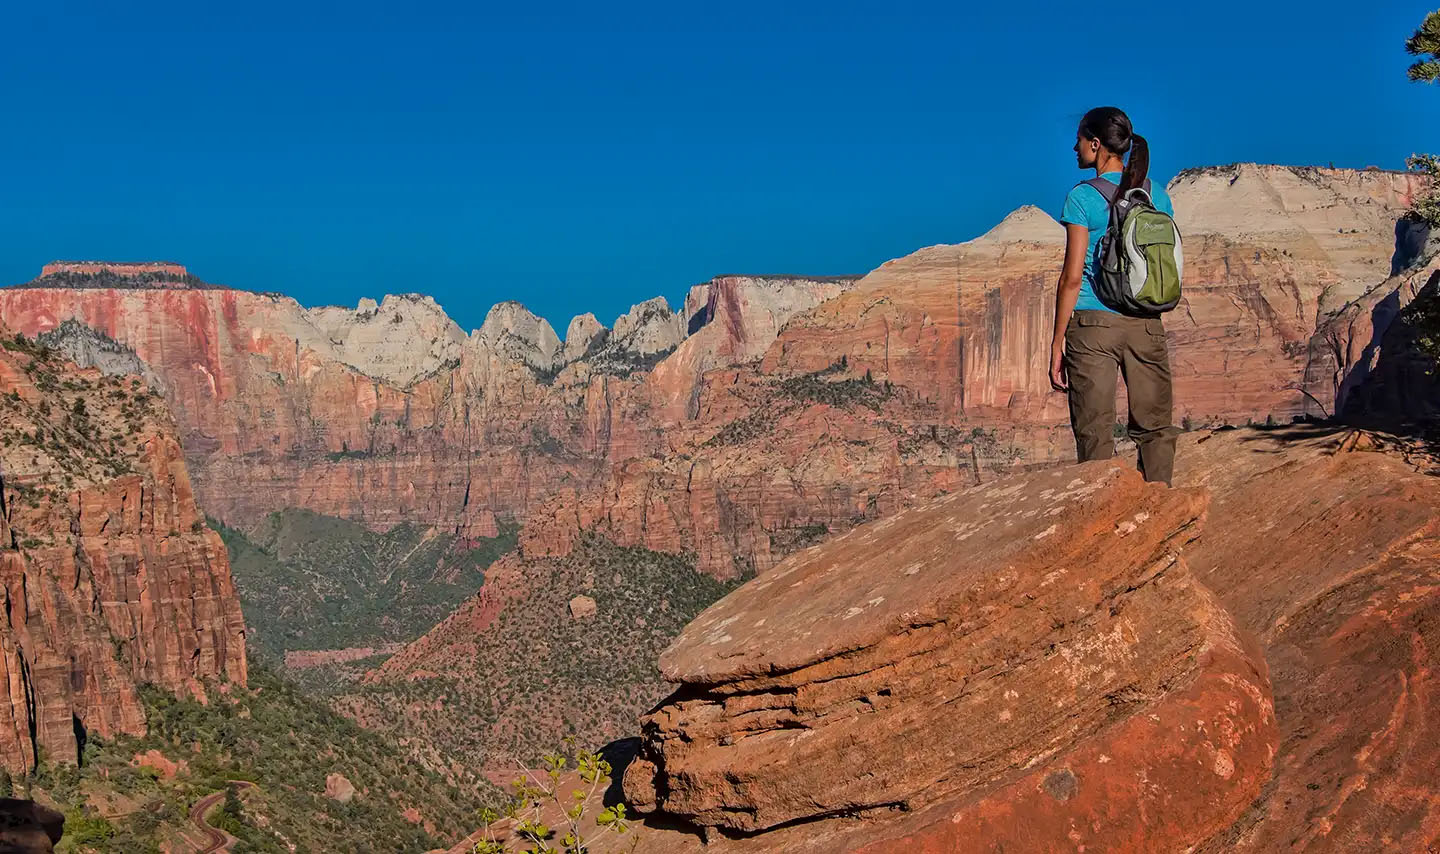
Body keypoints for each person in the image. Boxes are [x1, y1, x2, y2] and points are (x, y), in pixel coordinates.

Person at [1049, 106, 1179, 485]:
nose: (1074, 149)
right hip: (1146, 322)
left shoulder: (1082, 198)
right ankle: (1159, 510)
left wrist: (1057, 342)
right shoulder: (1158, 195)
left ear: (1095, 143)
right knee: (1155, 429)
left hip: (1093, 326)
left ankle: (1099, 519)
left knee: (1095, 434)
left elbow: (1071, 279)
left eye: (1078, 140)